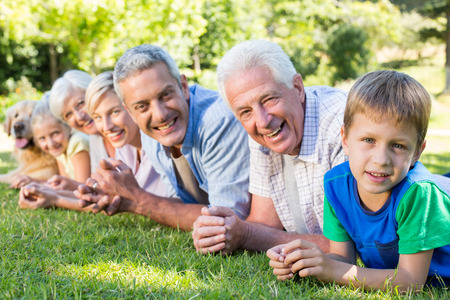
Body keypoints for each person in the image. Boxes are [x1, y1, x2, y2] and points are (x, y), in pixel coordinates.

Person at [267, 70, 450, 291]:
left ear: (418, 152)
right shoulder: (336, 186)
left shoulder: (418, 193)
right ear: (345, 139)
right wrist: (306, 261)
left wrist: (333, 270)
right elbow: (343, 259)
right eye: (369, 140)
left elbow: (410, 282)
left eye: (398, 145)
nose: (381, 160)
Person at [192, 40, 348, 254]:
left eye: (269, 99)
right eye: (245, 112)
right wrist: (221, 231)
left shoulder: (341, 128)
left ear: (298, 88)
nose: (262, 120)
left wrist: (247, 235)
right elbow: (264, 221)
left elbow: (351, 246)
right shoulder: (264, 133)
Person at [75, 44, 251, 230]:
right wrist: (122, 199)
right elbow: (178, 204)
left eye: (165, 95)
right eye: (142, 106)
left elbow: (227, 220)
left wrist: (137, 198)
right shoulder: (151, 133)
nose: (159, 115)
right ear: (131, 113)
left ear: (183, 86)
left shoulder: (217, 122)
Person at [85, 71, 170, 198]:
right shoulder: (125, 148)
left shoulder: (161, 142)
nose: (107, 126)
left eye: (114, 112)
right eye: (97, 117)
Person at [32, 97, 90, 189]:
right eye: (42, 138)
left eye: (55, 133)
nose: (51, 143)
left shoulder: (77, 142)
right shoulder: (60, 150)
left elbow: (83, 189)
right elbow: (64, 184)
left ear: (68, 127)